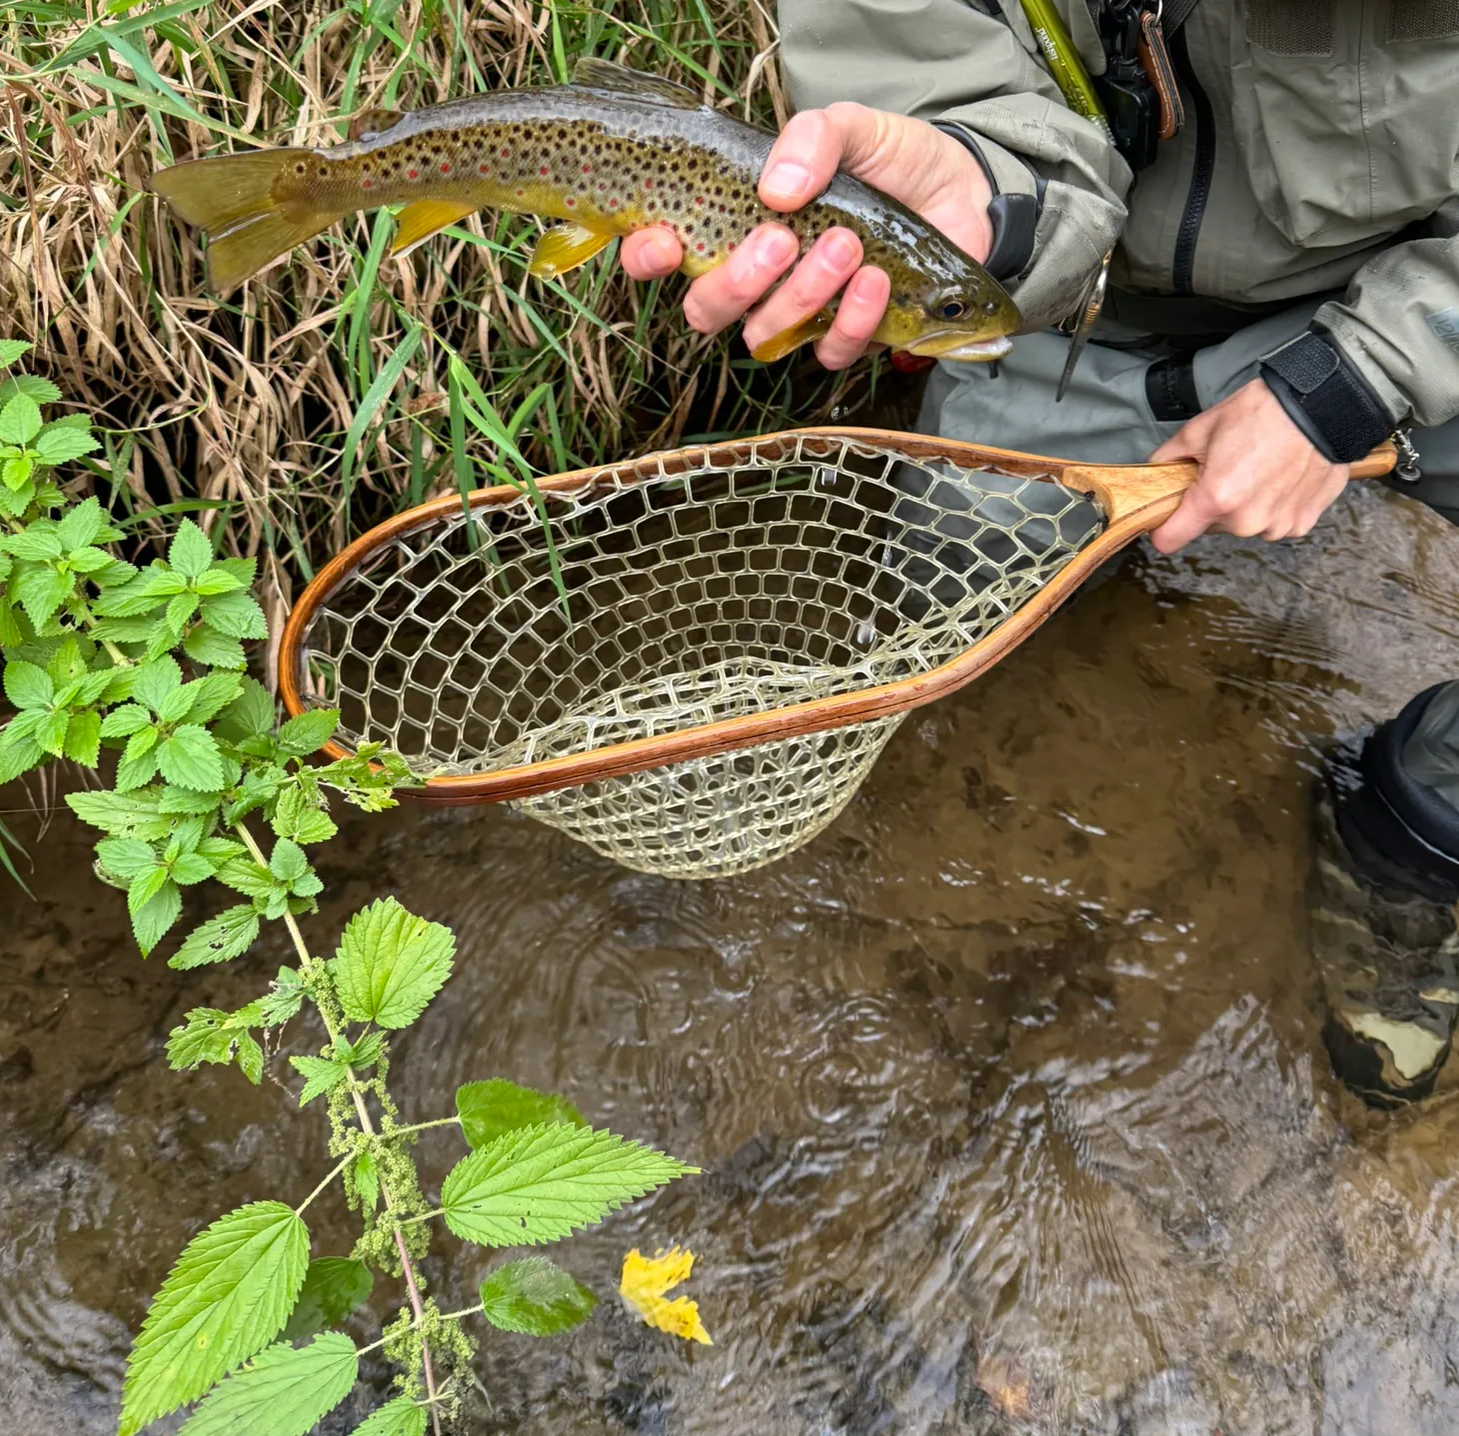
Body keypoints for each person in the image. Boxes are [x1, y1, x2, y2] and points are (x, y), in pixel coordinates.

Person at [620, 2, 1459, 1105]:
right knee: (946, 601)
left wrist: (1349, 387)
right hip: (1050, 295)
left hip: (1414, 291)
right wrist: (984, 180)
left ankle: (1416, 832)